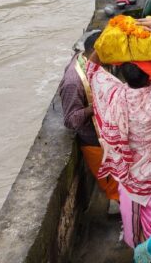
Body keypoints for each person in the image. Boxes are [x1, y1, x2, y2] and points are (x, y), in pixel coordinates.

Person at [87, 16, 151, 248]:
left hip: (132, 176)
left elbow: (92, 69)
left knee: (134, 219)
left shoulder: (115, 96)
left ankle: (140, 248)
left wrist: (109, 37)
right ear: (150, 76)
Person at [58, 30, 119, 211]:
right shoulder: (73, 81)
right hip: (94, 139)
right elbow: (71, 120)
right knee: (112, 185)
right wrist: (95, 107)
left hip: (108, 132)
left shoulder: (89, 62)